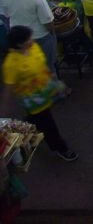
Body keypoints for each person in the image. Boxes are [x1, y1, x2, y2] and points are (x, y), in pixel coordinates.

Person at [2, 27, 78, 162]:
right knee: (48, 123)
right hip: (33, 99)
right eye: (28, 38)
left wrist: (57, 84)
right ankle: (61, 148)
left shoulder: (33, 47)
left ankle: (28, 134)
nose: (32, 40)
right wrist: (4, 109)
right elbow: (9, 88)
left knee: (35, 118)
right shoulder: (11, 64)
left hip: (46, 89)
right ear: (19, 43)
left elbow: (43, 67)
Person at [0, 0, 59, 75]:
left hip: (19, 40)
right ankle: (56, 91)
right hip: (40, 37)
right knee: (47, 68)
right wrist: (53, 33)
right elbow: (48, 23)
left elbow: (4, 15)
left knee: (28, 70)